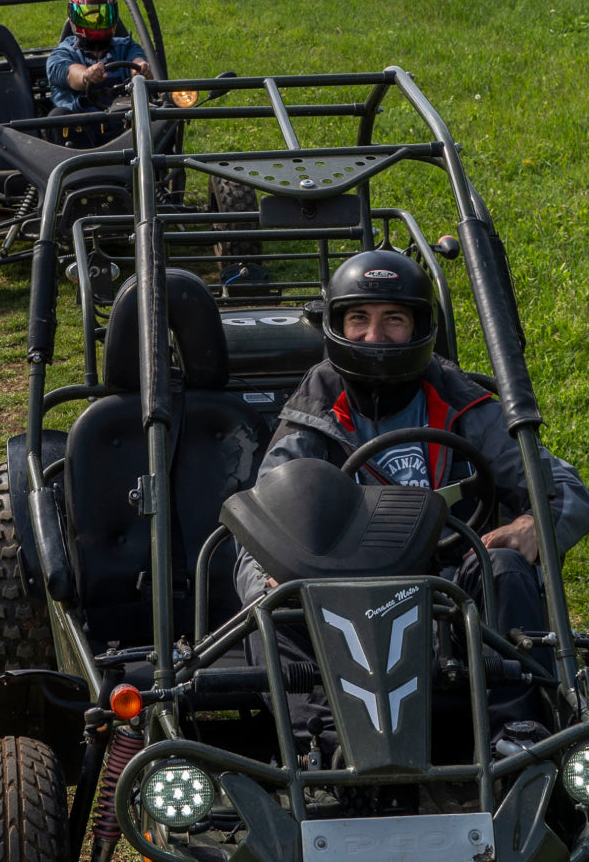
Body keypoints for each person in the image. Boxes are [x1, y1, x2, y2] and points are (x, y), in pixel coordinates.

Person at [233, 248, 589, 751]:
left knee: (506, 566)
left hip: (447, 600)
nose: (374, 336)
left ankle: (516, 736)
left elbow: (565, 488)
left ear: (420, 327)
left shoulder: (464, 405)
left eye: (393, 320)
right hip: (342, 604)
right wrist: (267, 579)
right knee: (274, 601)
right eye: (359, 319)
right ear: (337, 325)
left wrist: (535, 523)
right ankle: (325, 751)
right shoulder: (312, 414)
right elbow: (255, 529)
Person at [45, 0, 153, 147]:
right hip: (80, 127)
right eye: (90, 17)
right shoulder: (61, 54)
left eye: (104, 16)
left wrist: (141, 69)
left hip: (124, 123)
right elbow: (70, 73)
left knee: (155, 112)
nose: (97, 23)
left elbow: (137, 59)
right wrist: (86, 75)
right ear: (74, 19)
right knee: (58, 116)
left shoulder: (127, 46)